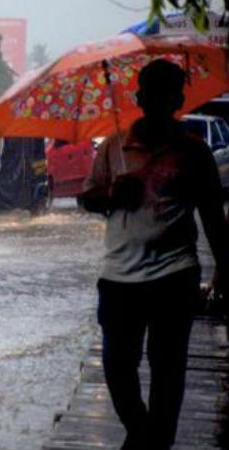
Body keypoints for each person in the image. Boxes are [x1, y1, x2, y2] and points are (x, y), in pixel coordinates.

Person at [78, 59, 229, 450]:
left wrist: (222, 273)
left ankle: (154, 443)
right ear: (140, 97)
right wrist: (112, 194)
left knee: (167, 372)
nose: (159, 100)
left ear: (177, 99)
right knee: (116, 367)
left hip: (174, 276)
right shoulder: (114, 147)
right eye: (152, 91)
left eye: (167, 93)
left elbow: (213, 217)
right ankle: (145, 437)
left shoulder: (195, 154)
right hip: (119, 278)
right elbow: (87, 197)